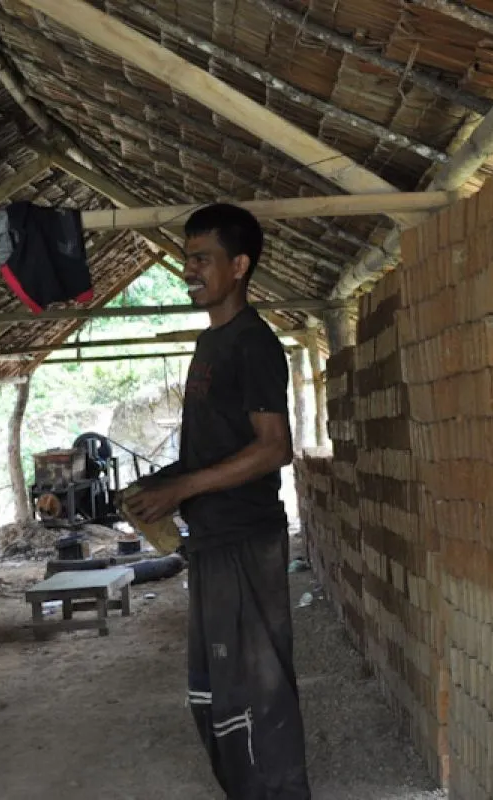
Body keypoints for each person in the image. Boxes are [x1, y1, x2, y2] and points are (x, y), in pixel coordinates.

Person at [122, 203, 312, 799]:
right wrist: (161, 485)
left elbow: (274, 448)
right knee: (216, 692)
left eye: (203, 259)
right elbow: (216, 446)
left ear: (240, 266)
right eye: (187, 259)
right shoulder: (212, 343)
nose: (189, 271)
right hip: (211, 539)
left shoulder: (253, 343)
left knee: (256, 691)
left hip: (245, 539)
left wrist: (182, 489)